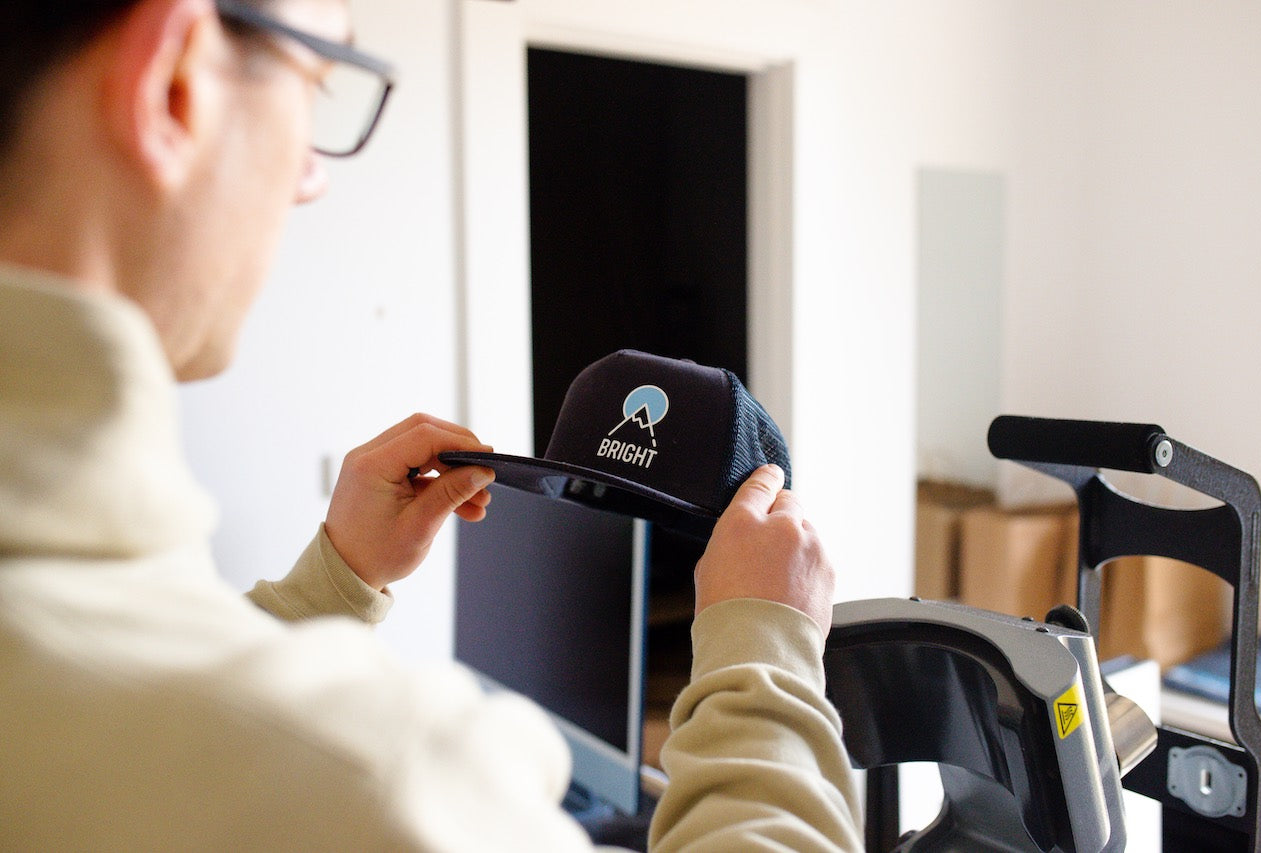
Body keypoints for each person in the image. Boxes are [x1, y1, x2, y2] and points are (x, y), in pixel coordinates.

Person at [0, 0, 862, 849]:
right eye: (320, 89)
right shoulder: (374, 787)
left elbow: (153, 725)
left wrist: (328, 586)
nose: (312, 175)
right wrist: (767, 659)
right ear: (175, 82)